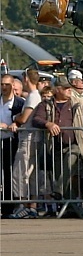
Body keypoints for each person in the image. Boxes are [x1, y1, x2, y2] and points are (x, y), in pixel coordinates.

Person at [27, 75, 83, 216]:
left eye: (70, 88)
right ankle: (70, 208)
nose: (69, 90)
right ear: (57, 89)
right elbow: (36, 119)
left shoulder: (77, 102)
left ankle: (58, 190)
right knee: (62, 175)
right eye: (66, 88)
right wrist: (48, 123)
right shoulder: (46, 104)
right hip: (55, 145)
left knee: (69, 163)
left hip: (75, 143)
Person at [7, 69, 45, 219]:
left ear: (26, 79)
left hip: (28, 139)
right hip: (31, 138)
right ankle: (32, 206)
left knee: (20, 172)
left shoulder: (33, 97)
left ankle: (23, 205)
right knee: (30, 173)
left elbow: (24, 118)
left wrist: (16, 117)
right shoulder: (33, 96)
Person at [1, 74, 24, 212]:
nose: (4, 87)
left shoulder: (20, 103)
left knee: (9, 172)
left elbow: (25, 119)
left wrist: (15, 124)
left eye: (7, 84)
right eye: (2, 84)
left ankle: (8, 206)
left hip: (11, 141)